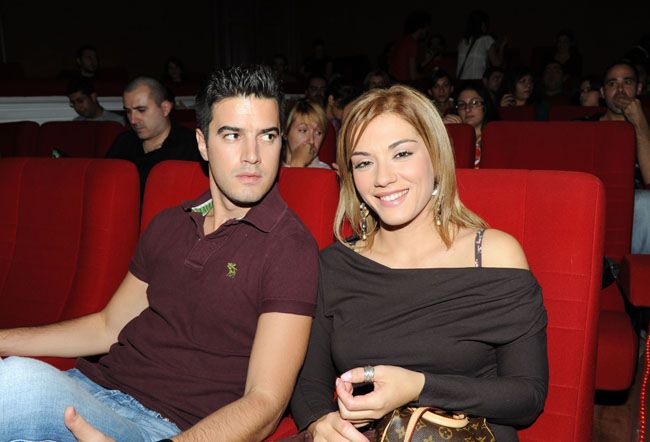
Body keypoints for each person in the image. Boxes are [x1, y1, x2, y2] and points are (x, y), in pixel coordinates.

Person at [0, 64, 319, 441]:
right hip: (88, 389)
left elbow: (265, 402)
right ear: (203, 143)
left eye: (267, 136)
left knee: (20, 383)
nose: (253, 155)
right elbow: (109, 327)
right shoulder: (170, 222)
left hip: (163, 427)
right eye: (233, 135)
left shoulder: (289, 248)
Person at [289, 85, 548, 441]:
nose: (383, 178)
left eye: (401, 154)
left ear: (435, 158)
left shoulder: (494, 255)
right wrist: (320, 423)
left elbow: (527, 396)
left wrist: (418, 386)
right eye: (364, 162)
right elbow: (309, 383)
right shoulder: (335, 264)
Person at [585, 61, 650, 253]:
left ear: (639, 88)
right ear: (603, 92)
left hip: (636, 210)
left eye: (627, 82)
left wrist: (639, 123)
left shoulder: (646, 129)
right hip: (593, 200)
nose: (620, 90)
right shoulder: (584, 126)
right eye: (612, 84)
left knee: (645, 202)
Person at [105, 76, 202, 196]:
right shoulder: (123, 143)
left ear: (165, 109)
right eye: (128, 111)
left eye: (141, 110)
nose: (133, 120)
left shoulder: (191, 147)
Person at [454, 82, 499, 167]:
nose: (467, 109)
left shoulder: (499, 137)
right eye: (462, 104)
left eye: (474, 103)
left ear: (485, 106)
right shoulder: (452, 138)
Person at [456, 10, 506, 81]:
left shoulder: (462, 42)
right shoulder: (486, 39)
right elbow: (497, 64)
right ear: (483, 25)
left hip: (461, 82)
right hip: (477, 82)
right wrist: (502, 47)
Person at [282, 99, 331, 169]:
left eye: (318, 133)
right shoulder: (272, 169)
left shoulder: (324, 171)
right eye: (303, 130)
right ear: (285, 132)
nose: (311, 141)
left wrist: (297, 164)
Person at [388, 10, 432, 82]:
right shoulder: (411, 43)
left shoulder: (403, 40)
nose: (428, 30)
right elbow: (413, 76)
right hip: (403, 83)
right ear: (424, 26)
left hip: (395, 82)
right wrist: (428, 77)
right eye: (428, 27)